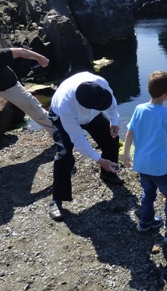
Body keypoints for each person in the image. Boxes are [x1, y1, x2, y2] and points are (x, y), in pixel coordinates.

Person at [123, 71, 167, 243]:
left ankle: (146, 222)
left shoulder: (139, 109)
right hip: (161, 167)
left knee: (148, 193)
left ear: (148, 89)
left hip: (142, 164)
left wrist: (126, 155)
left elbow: (129, 133)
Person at [48, 71, 123, 221]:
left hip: (92, 116)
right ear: (86, 106)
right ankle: (57, 199)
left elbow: (112, 103)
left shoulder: (99, 83)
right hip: (62, 118)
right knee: (65, 155)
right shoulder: (66, 106)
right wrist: (100, 160)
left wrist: (114, 121)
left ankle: (108, 174)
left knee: (112, 138)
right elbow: (79, 140)